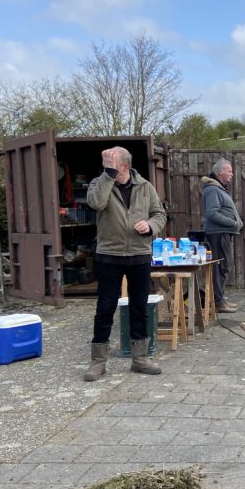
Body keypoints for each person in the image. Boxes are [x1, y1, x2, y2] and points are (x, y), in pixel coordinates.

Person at [82, 146, 166, 381]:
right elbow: (96, 203)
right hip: (109, 255)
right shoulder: (100, 183)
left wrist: (150, 226)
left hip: (139, 254)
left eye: (112, 164)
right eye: (105, 163)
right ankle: (98, 362)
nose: (106, 167)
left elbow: (160, 214)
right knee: (105, 307)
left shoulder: (146, 187)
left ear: (126, 166)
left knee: (139, 306)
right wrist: (107, 174)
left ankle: (140, 359)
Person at [201, 157, 243, 313]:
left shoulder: (218, 188)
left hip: (222, 233)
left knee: (223, 267)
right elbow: (211, 213)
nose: (232, 174)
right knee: (220, 268)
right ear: (220, 172)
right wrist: (231, 223)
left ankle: (220, 299)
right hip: (217, 234)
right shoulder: (212, 189)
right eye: (229, 171)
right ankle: (218, 302)